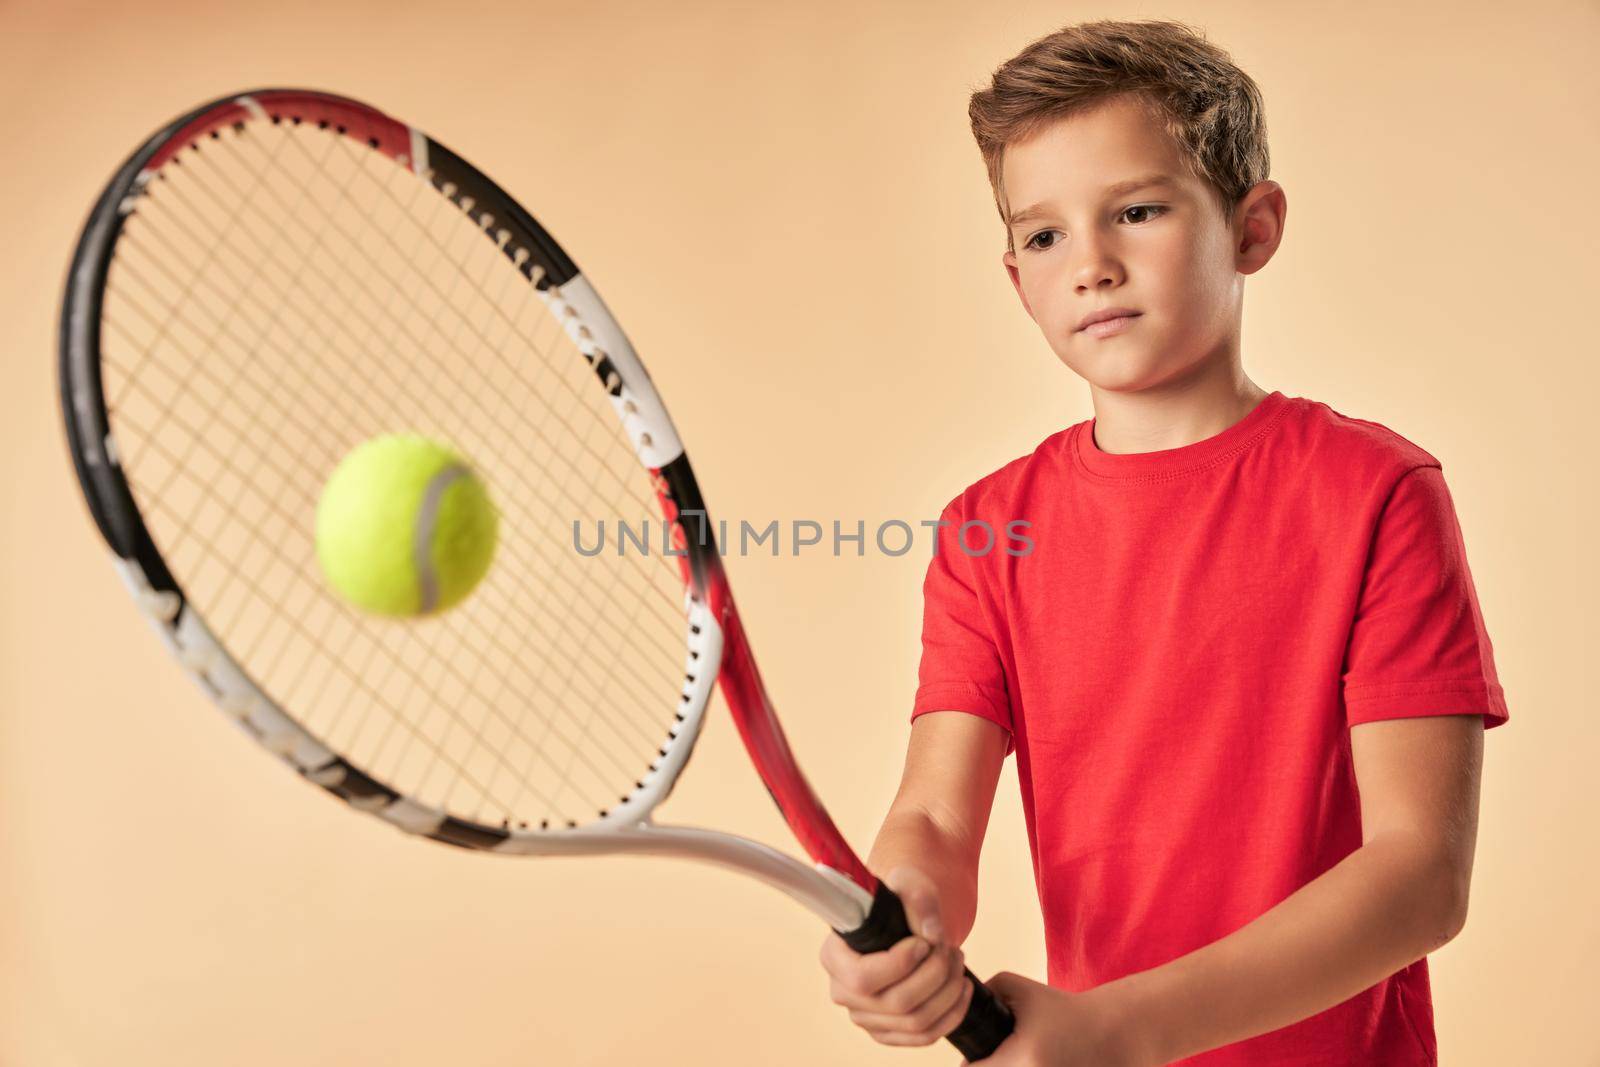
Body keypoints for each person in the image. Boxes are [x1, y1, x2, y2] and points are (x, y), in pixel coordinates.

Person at [817, 18, 1509, 1066]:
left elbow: (1418, 874)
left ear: (1252, 227)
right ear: (1017, 280)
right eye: (1044, 236)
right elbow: (935, 818)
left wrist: (1122, 1027)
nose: (1090, 265)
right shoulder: (983, 532)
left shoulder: (1377, 493)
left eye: (1135, 210)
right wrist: (905, 904)